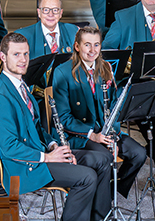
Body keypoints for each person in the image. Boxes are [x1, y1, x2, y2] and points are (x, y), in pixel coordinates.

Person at [0, 33, 105, 221]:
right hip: (23, 167)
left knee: (101, 159)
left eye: (26, 54)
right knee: (87, 177)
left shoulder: (21, 87)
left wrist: (53, 147)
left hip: (41, 155)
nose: (23, 59)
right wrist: (48, 158)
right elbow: (9, 147)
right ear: (2, 56)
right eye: (16, 54)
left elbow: (39, 128)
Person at [51, 26, 147, 207]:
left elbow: (114, 108)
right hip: (80, 134)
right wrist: (92, 135)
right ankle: (100, 203)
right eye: (87, 45)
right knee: (106, 157)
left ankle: (109, 195)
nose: (92, 50)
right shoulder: (63, 72)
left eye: (97, 45)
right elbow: (63, 118)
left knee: (139, 153)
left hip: (105, 131)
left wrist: (113, 135)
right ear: (77, 46)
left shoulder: (106, 67)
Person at [16, 0, 80, 59]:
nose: (51, 14)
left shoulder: (73, 31)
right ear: (39, 13)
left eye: (55, 10)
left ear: (61, 13)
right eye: (46, 10)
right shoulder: (23, 36)